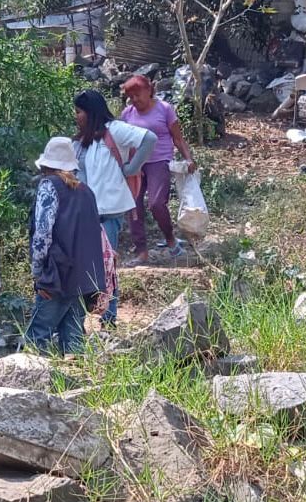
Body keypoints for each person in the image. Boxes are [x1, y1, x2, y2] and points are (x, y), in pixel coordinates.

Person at [71, 89, 153, 325]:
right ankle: (88, 315)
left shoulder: (115, 131)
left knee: (106, 265)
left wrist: (132, 168)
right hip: (88, 214)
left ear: (90, 113)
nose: (76, 116)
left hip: (108, 213)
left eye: (79, 112)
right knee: (91, 265)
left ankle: (109, 317)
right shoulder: (85, 140)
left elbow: (149, 139)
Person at [26, 137, 106, 354]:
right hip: (84, 277)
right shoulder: (87, 192)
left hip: (57, 274)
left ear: (46, 165)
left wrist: (38, 272)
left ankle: (30, 383)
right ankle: (77, 384)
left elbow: (43, 233)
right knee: (73, 339)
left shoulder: (49, 186)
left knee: (37, 337)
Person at [119, 75, 196, 263]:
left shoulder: (165, 109)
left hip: (159, 160)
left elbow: (178, 138)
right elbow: (122, 143)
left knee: (156, 203)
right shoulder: (127, 114)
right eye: (131, 96)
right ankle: (141, 251)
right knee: (133, 205)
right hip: (136, 164)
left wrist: (188, 159)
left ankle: (170, 239)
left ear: (149, 90)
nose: (135, 100)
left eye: (138, 95)